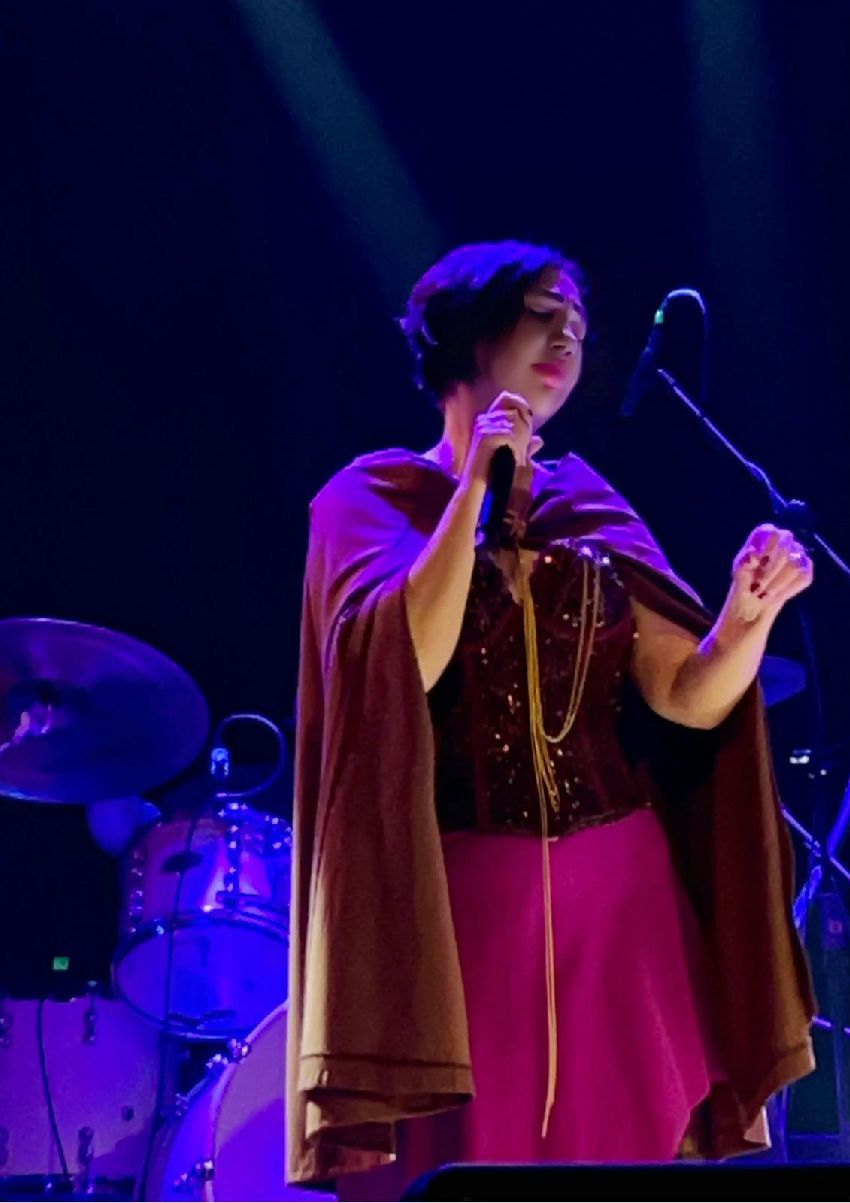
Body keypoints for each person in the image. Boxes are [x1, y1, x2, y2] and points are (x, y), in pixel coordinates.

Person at [286, 241, 817, 1198]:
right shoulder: (368, 500)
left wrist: (748, 615)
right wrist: (475, 491)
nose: (569, 338)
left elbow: (684, 695)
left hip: (625, 907)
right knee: (473, 1164)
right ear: (468, 329)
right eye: (543, 312)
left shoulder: (586, 502)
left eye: (579, 325)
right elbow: (406, 662)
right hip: (464, 912)